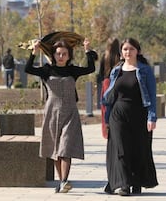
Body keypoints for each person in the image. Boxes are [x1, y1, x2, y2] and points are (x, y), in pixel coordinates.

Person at [25, 38, 97, 193]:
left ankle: (64, 180)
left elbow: (91, 68)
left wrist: (87, 49)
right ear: (53, 55)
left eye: (64, 54)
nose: (61, 56)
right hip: (52, 112)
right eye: (58, 54)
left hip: (70, 112)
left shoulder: (72, 70)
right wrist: (34, 52)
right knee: (55, 149)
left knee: (65, 147)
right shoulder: (46, 70)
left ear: (69, 55)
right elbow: (28, 69)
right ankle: (62, 181)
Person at [102, 38, 158, 196]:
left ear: (137, 51)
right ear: (121, 53)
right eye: (125, 49)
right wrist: (107, 119)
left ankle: (136, 181)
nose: (128, 52)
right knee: (121, 148)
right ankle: (123, 184)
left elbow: (152, 96)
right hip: (118, 114)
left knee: (138, 149)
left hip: (139, 114)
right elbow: (111, 96)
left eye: (131, 49)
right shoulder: (116, 70)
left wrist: (152, 117)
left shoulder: (145, 70)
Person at [97, 37, 121, 138]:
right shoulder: (119, 57)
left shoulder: (104, 56)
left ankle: (105, 131)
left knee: (105, 108)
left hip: (106, 83)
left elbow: (100, 73)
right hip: (116, 82)